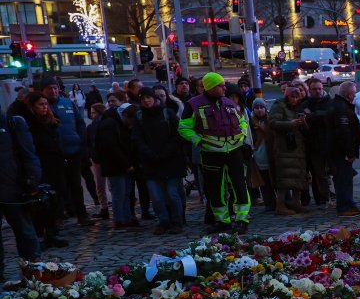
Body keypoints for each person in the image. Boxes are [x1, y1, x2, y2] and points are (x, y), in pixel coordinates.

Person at [180, 73, 251, 234]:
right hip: (211, 153)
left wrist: (242, 135)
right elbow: (184, 127)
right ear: (210, 87)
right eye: (220, 86)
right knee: (215, 188)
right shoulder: (193, 104)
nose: (224, 88)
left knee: (239, 185)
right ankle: (222, 220)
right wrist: (199, 141)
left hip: (234, 151)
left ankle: (242, 219)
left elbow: (242, 121)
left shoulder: (228, 102)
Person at [9, 93, 66, 248]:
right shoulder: (28, 122)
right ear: (32, 106)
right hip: (39, 165)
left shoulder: (50, 121)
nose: (45, 107)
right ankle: (40, 234)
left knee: (54, 199)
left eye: (46, 104)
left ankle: (52, 232)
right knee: (39, 203)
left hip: (54, 164)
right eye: (41, 104)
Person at [131, 90, 188, 234]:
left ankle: (177, 221)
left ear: (155, 99)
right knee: (156, 196)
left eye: (148, 97)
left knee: (172, 194)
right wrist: (150, 153)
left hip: (171, 161)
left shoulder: (167, 114)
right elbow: (137, 139)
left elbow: (177, 136)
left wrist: (165, 152)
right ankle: (163, 221)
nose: (146, 101)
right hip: (150, 163)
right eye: (143, 98)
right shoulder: (139, 117)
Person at [40, 80, 90, 227]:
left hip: (73, 150)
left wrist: (81, 141)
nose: (53, 91)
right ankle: (59, 216)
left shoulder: (68, 103)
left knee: (76, 185)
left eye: (55, 88)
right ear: (43, 90)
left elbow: (80, 123)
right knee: (57, 186)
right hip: (54, 153)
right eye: (49, 89)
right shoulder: (42, 106)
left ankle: (82, 215)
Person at [0, 108, 41, 278]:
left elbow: (29, 154)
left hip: (14, 189)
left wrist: (33, 181)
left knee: (25, 231)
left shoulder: (12, 123)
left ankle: (33, 270)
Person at [94, 102, 138, 230]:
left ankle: (126, 218)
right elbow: (111, 148)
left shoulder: (115, 122)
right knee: (119, 194)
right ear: (124, 115)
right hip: (116, 166)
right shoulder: (110, 124)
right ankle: (120, 220)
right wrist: (126, 164)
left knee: (126, 193)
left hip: (123, 164)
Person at [268, 85, 310, 216]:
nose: (295, 99)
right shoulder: (279, 105)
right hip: (284, 147)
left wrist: (303, 123)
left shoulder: (298, 107)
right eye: (293, 96)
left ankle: (296, 203)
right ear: (287, 96)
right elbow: (273, 123)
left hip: (297, 147)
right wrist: (290, 124)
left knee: (298, 176)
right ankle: (280, 205)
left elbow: (305, 130)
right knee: (284, 177)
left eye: (297, 97)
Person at [327, 82, 360, 217]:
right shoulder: (341, 108)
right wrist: (350, 152)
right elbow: (344, 132)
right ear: (349, 94)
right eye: (354, 93)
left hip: (339, 149)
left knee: (346, 178)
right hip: (340, 151)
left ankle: (349, 203)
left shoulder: (338, 105)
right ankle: (343, 207)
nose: (355, 96)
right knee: (343, 179)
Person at [300, 78, 333, 208]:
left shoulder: (329, 102)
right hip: (314, 145)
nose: (318, 91)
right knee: (319, 175)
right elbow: (303, 118)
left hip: (329, 143)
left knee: (332, 173)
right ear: (309, 90)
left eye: (320, 88)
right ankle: (324, 198)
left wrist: (312, 116)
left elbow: (329, 116)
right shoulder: (306, 104)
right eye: (314, 89)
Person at [84, 102, 109, 220]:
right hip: (97, 158)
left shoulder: (105, 125)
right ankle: (104, 207)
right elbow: (88, 143)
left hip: (105, 158)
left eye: (93, 112)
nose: (91, 115)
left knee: (104, 184)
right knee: (100, 184)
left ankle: (105, 207)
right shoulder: (90, 127)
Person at [249, 99, 275, 211]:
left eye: (261, 107)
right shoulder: (250, 122)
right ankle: (269, 203)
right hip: (259, 156)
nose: (259, 110)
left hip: (271, 155)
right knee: (264, 182)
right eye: (256, 108)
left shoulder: (270, 120)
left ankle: (283, 202)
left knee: (276, 179)